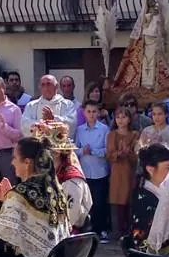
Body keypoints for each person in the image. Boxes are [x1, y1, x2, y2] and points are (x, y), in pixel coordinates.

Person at [74, 101, 111, 237]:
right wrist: (82, 151)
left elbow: (107, 150)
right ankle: (87, 229)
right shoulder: (79, 130)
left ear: (98, 113)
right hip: (84, 172)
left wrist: (94, 151)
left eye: (94, 111)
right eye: (88, 111)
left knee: (99, 202)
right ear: (84, 113)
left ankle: (101, 229)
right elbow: (74, 149)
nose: (91, 114)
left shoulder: (104, 129)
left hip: (100, 171)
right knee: (86, 202)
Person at [107, 106, 138, 239]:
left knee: (129, 201)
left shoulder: (135, 135)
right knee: (116, 201)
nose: (120, 120)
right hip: (116, 173)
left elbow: (136, 156)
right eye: (118, 117)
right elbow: (109, 155)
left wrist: (128, 153)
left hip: (129, 172)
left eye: (124, 117)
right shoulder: (112, 134)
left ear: (129, 119)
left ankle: (129, 233)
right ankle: (116, 232)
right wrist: (119, 153)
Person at [53, 139, 92, 233]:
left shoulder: (71, 179)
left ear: (56, 153)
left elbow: (70, 217)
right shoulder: (52, 173)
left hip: (69, 235)